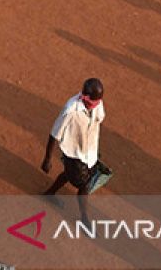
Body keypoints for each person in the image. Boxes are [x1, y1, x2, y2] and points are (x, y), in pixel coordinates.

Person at [41, 78, 107, 222]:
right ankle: (84, 218)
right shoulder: (71, 110)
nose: (92, 106)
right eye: (89, 102)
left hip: (89, 153)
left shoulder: (98, 104)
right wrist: (47, 159)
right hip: (74, 154)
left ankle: (49, 193)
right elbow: (54, 134)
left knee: (68, 174)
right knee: (85, 186)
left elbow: (98, 120)